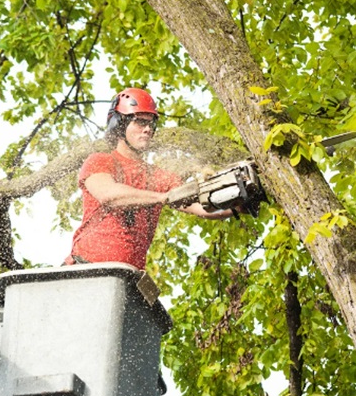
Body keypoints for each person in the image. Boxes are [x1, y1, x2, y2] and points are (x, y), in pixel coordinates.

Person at [65, 88, 236, 269]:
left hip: (128, 277)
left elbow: (202, 207)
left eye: (151, 124)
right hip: (85, 270)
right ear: (119, 125)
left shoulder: (159, 177)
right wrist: (161, 197)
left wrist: (235, 204)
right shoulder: (101, 161)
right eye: (140, 122)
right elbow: (109, 194)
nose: (147, 129)